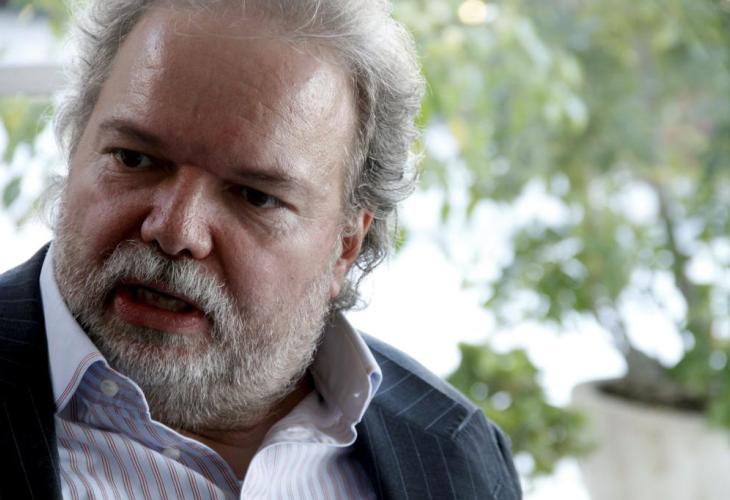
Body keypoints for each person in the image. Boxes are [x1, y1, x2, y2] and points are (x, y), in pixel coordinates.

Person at [0, 0, 521, 498]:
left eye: (255, 197)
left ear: (345, 245)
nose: (177, 230)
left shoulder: (456, 452)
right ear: (75, 147)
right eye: (134, 159)